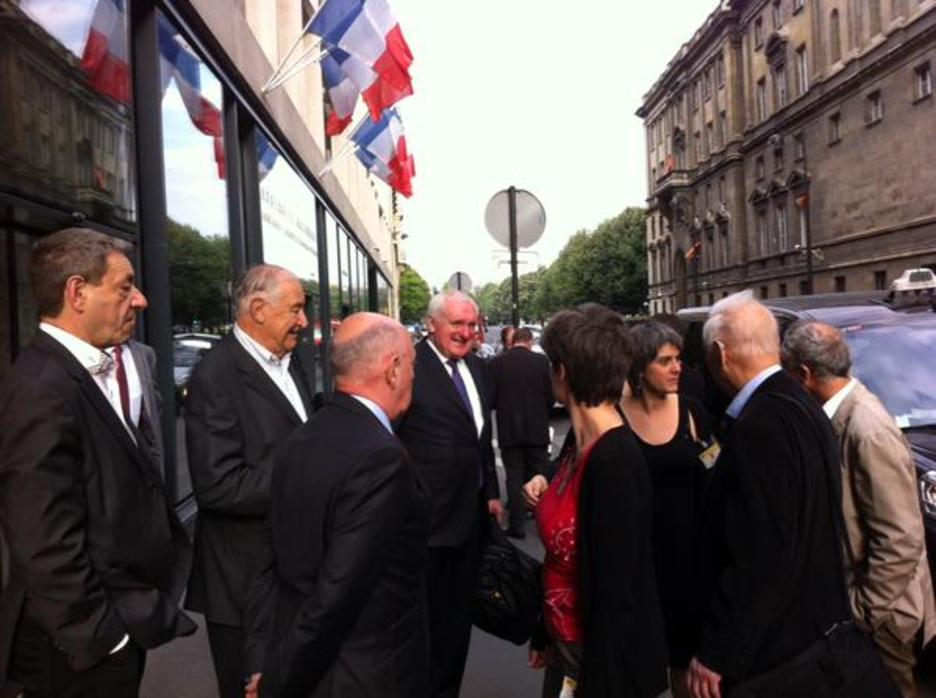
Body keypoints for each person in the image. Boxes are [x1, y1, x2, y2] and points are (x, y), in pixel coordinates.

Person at [0, 228, 195, 697]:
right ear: (76, 293)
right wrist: (104, 637)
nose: (142, 300)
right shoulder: (41, 388)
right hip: (76, 651)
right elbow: (42, 540)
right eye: (125, 287)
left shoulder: (81, 370)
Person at [688, 291, 898, 698]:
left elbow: (762, 553)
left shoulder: (761, 424)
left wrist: (718, 651)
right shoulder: (801, 403)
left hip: (779, 654)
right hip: (811, 636)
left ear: (719, 352)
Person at [244, 313, 428, 698]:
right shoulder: (382, 458)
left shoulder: (301, 437)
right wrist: (278, 682)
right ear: (393, 369)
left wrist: (265, 663)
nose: (415, 376)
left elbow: (269, 564)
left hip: (300, 658)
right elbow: (337, 593)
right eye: (413, 363)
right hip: (360, 675)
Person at [781, 320, 936, 697]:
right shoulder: (841, 415)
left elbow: (901, 539)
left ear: (803, 374)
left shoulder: (867, 429)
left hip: (888, 622)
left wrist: (865, 614)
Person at [523, 306, 668, 698]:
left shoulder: (615, 460)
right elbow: (562, 563)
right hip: (565, 645)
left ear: (563, 371)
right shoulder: (579, 442)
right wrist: (544, 632)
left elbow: (618, 594)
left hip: (599, 665)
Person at [184, 264, 314, 698]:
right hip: (241, 586)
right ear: (258, 308)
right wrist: (312, 480)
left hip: (294, 573)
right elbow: (219, 486)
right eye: (295, 310)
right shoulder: (215, 376)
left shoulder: (292, 363)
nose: (304, 321)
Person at [395, 290, 503, 698]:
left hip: (470, 521)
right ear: (432, 324)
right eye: (457, 324)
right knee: (424, 630)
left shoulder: (477, 367)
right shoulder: (409, 367)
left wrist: (490, 490)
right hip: (425, 528)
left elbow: (481, 436)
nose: (467, 332)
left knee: (458, 626)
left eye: (472, 324)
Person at [619, 320, 713, 698]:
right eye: (665, 360)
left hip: (685, 568)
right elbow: (573, 468)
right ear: (640, 367)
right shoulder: (611, 416)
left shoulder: (692, 413)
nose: (677, 368)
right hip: (634, 566)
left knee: (684, 671)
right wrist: (541, 480)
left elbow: (713, 479)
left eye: (678, 359)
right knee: (635, 670)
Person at [489, 326, 554, 539]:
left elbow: (491, 398)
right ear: (529, 342)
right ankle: (541, 518)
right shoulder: (541, 362)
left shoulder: (497, 363)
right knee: (539, 474)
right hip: (537, 428)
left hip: (509, 430)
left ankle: (516, 525)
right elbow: (550, 396)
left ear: (513, 341)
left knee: (514, 476)